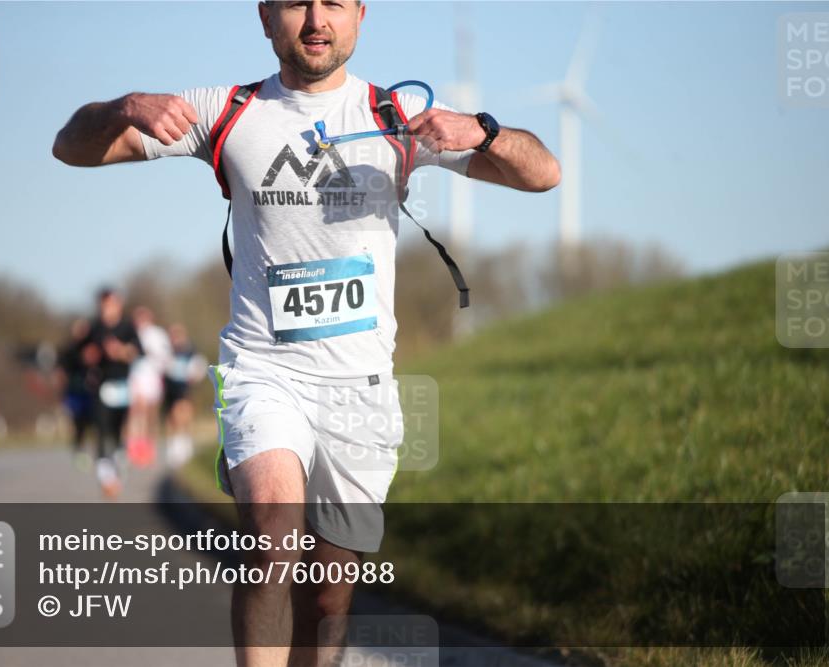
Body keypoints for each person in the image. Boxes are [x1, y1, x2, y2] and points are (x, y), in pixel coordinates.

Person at [53, 1, 560, 663]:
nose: (317, 18)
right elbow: (70, 147)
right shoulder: (227, 111)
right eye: (297, 3)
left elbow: (544, 172)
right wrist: (124, 106)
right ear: (266, 18)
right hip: (264, 371)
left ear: (359, 16)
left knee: (329, 595)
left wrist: (484, 130)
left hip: (360, 388)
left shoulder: (396, 119)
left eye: (335, 3)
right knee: (272, 538)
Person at [83, 288, 142, 497]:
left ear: (118, 305)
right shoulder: (94, 328)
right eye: (104, 305)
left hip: (122, 386)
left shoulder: (127, 327)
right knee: (101, 430)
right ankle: (105, 477)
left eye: (111, 304)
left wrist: (121, 351)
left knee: (118, 433)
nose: (107, 309)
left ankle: (118, 464)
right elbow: (81, 353)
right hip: (101, 386)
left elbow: (137, 352)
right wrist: (88, 355)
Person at [126, 306, 173, 467]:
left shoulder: (157, 334)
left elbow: (166, 356)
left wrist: (153, 355)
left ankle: (148, 446)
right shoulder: (130, 333)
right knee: (137, 410)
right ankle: (135, 447)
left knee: (150, 413)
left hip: (152, 376)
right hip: (135, 375)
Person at [161, 322, 208, 469]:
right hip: (170, 388)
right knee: (171, 418)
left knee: (183, 414)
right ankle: (173, 445)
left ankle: (185, 445)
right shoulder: (167, 351)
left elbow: (199, 367)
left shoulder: (190, 351)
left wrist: (194, 376)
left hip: (184, 389)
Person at [56, 317, 101, 469]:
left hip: (91, 392)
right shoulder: (69, 350)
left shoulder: (93, 348)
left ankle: (99, 452)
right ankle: (79, 451)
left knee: (95, 422)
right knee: (78, 423)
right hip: (74, 392)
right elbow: (61, 372)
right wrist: (63, 393)